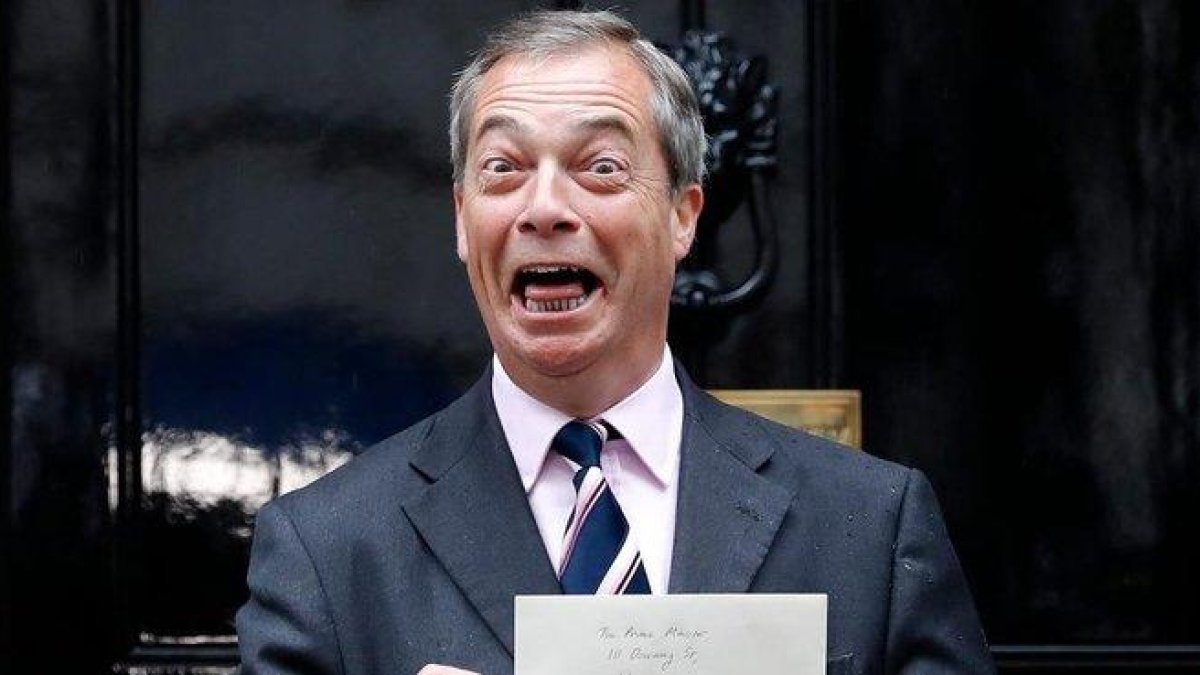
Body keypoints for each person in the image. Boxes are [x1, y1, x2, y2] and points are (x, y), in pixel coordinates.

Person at [236, 9, 995, 675]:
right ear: (463, 218)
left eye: (600, 166)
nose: (544, 207)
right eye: (503, 168)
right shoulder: (328, 549)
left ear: (683, 215)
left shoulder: (872, 522)